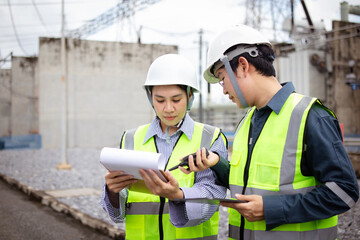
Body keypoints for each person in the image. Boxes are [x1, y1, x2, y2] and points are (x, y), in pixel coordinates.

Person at [180, 25, 359, 240]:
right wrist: (216, 162)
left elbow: (345, 191)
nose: (224, 89)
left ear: (243, 66)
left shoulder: (311, 117)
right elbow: (249, 181)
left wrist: (272, 209)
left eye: (222, 78)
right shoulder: (248, 121)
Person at [100, 53, 228, 240]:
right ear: (150, 97)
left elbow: (212, 197)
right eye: (160, 100)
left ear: (190, 96)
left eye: (176, 100)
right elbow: (117, 215)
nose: (168, 108)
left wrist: (177, 195)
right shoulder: (131, 138)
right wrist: (112, 191)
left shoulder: (210, 137)